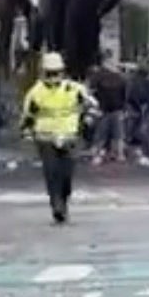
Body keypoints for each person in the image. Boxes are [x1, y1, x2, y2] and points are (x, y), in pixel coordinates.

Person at [20, 50, 94, 224]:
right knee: (52, 174)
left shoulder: (74, 89)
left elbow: (90, 106)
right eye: (49, 73)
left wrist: (87, 121)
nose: (53, 77)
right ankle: (57, 206)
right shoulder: (36, 92)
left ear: (62, 72)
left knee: (67, 175)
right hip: (46, 138)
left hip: (69, 137)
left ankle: (64, 201)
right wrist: (26, 131)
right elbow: (28, 116)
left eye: (56, 73)